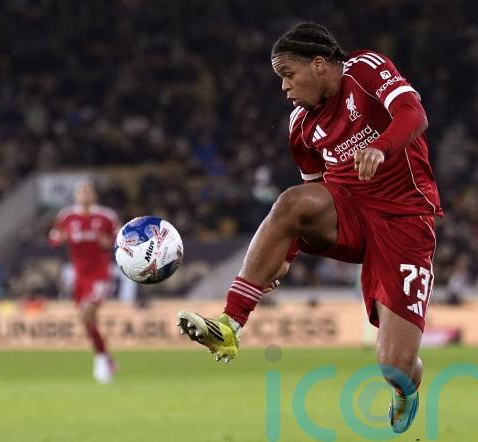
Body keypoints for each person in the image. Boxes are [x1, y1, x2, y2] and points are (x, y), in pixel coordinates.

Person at [177, 22, 442, 433]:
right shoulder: (300, 126)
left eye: (288, 74)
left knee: (395, 365)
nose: (284, 87)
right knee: (290, 201)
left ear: (319, 64)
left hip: (404, 220)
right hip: (349, 214)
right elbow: (313, 196)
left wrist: (380, 147)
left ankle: (405, 390)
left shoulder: (365, 70)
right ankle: (230, 324)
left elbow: (414, 114)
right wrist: (286, 252)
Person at [49, 179, 120, 384]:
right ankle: (106, 357)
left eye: (88, 191)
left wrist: (109, 242)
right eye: (81, 191)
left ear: (94, 195)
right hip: (79, 276)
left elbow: (122, 240)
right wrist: (61, 238)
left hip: (100, 274)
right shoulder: (66, 216)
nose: (85, 195)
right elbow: (53, 239)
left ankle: (100, 361)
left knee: (87, 311)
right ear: (76, 195)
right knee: (87, 320)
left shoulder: (106, 216)